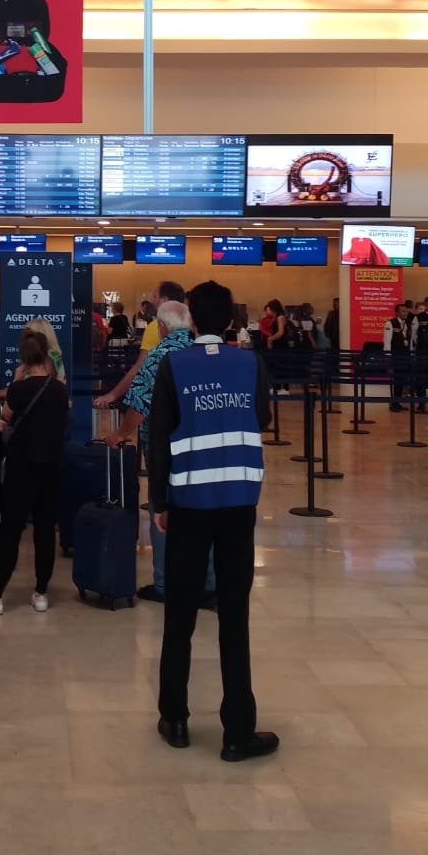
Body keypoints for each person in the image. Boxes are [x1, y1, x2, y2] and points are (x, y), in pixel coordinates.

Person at [148, 281, 278, 763]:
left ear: (194, 321)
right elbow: (261, 417)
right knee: (233, 614)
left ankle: (175, 717)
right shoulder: (250, 362)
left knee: (179, 611)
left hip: (187, 503)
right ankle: (238, 730)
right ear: (229, 320)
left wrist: (158, 500)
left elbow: (158, 438)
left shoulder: (173, 364)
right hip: (238, 503)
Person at [103, 301, 211, 605]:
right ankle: (208, 582)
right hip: (200, 447)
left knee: (162, 509)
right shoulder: (201, 353)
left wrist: (120, 433)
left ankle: (165, 584)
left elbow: (140, 403)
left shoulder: (160, 356)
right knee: (202, 510)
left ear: (161, 327)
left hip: (164, 449)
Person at [0, 332, 68, 615]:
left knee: (11, 530)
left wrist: (17, 379)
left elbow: (8, 414)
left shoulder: (19, 389)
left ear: (24, 359)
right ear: (46, 354)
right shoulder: (59, 390)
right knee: (45, 530)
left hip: (21, 466)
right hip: (52, 466)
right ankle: (41, 592)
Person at [96, 281, 186, 409]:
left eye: (155, 297)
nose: (152, 301)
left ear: (164, 300)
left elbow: (139, 367)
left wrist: (113, 395)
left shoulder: (156, 327)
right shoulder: (194, 325)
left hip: (161, 403)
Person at [384, 302, 412, 412]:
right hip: (395, 356)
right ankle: (393, 403)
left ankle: (398, 402)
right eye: (403, 311)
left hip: (405, 356)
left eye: (406, 311)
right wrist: (388, 358)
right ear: (397, 313)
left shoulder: (408, 324)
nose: (405, 313)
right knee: (396, 380)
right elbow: (387, 342)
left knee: (402, 380)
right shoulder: (390, 323)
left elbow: (409, 341)